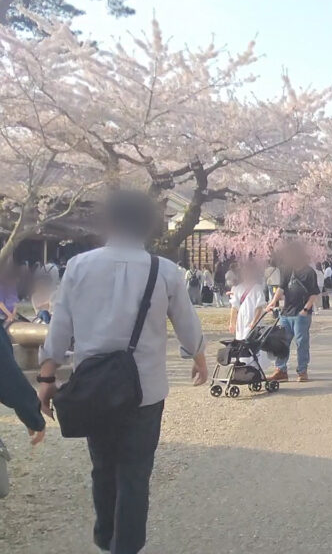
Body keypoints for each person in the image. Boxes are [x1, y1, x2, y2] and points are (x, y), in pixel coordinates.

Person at [37, 190, 207, 554]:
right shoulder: (165, 270)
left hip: (93, 387)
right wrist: (198, 357)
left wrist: (47, 377)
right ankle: (124, 546)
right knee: (134, 475)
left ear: (109, 222)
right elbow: (187, 325)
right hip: (144, 392)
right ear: (148, 225)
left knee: (103, 467)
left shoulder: (79, 266)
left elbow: (60, 327)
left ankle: (106, 538)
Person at [264, 243, 319, 382]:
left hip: (301, 314)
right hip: (286, 312)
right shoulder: (286, 270)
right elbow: (281, 289)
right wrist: (273, 302)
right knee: (282, 342)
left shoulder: (309, 272)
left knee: (301, 342)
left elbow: (313, 294)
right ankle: (281, 370)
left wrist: (306, 309)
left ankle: (302, 371)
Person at [228, 263, 267, 363]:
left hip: (253, 319)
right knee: (241, 341)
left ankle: (254, 366)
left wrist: (254, 321)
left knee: (252, 343)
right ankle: (243, 364)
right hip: (241, 320)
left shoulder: (258, 288)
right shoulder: (238, 288)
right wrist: (232, 323)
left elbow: (259, 307)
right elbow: (234, 307)